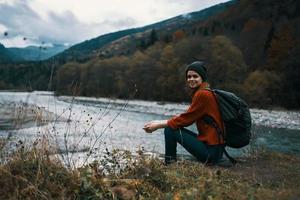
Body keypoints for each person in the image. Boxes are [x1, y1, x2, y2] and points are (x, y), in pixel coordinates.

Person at [143, 61, 224, 165]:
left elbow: (186, 120)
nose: (191, 79)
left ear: (202, 78)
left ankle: (169, 165)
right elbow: (186, 116)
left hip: (211, 153)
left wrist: (158, 125)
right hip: (215, 150)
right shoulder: (206, 92)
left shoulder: (203, 94)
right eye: (189, 76)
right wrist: (159, 121)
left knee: (170, 130)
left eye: (195, 76)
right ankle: (170, 163)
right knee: (171, 126)